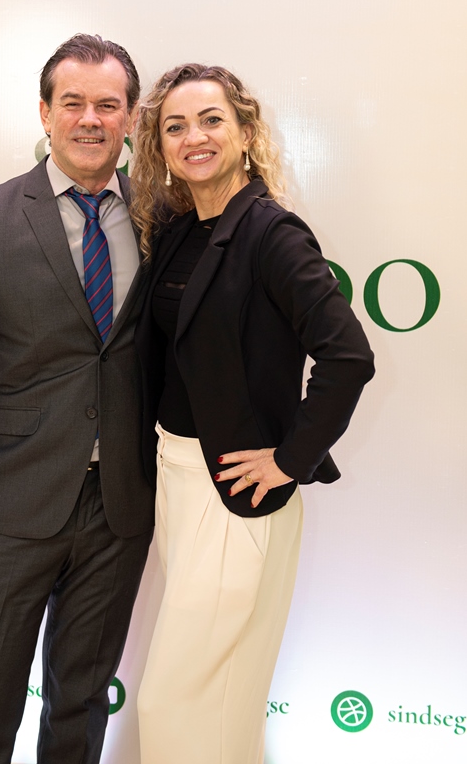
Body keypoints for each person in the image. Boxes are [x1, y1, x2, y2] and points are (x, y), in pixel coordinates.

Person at [0, 34, 154, 764]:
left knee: (81, 703)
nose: (90, 120)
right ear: (45, 113)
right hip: (6, 505)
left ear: (131, 117)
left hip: (119, 505)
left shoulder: (163, 218)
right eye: (73, 103)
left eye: (107, 105)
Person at [130, 63, 375, 764]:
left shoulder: (273, 234)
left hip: (235, 489)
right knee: (222, 697)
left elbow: (348, 357)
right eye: (176, 126)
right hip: (177, 476)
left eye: (211, 120)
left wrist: (289, 459)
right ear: (160, 146)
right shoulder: (179, 228)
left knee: (176, 698)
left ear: (245, 132)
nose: (194, 137)